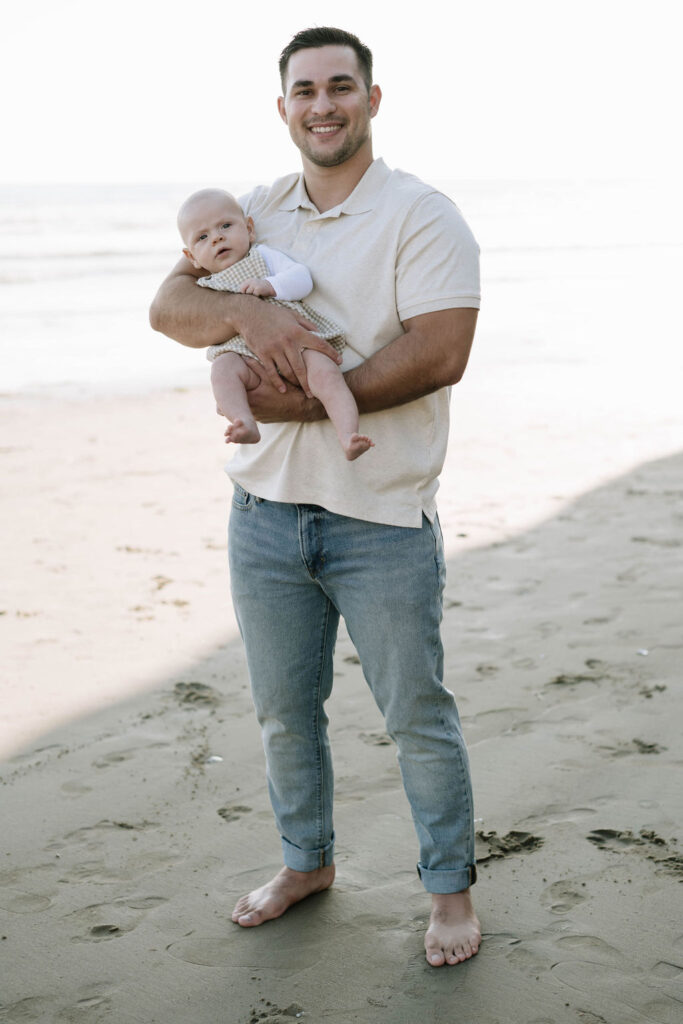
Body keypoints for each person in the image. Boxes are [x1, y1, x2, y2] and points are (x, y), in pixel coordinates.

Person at [150, 26, 481, 968]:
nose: (323, 104)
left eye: (341, 86)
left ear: (372, 100)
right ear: (283, 107)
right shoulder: (253, 210)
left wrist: (293, 403)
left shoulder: (421, 214)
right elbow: (169, 308)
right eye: (305, 90)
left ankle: (448, 893)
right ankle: (305, 865)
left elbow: (439, 353)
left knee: (415, 712)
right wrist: (249, 312)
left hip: (379, 516)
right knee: (284, 711)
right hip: (262, 519)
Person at [177, 188, 374, 459]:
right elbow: (191, 319)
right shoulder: (204, 287)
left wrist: (271, 285)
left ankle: (348, 434)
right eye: (203, 237)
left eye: (225, 226)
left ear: (249, 230)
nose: (217, 237)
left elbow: (302, 278)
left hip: (297, 343)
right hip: (244, 355)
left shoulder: (263, 257)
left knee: (327, 375)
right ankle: (243, 421)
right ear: (192, 258)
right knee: (222, 371)